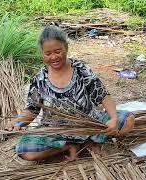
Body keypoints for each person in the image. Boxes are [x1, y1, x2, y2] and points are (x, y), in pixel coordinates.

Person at [9, 26, 135, 161]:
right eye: (48, 53)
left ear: (66, 48)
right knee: (24, 151)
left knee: (128, 120)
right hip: (57, 131)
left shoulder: (81, 70)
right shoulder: (39, 79)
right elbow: (32, 110)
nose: (54, 57)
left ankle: (91, 142)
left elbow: (102, 95)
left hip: (90, 125)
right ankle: (68, 146)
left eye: (58, 51)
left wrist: (114, 118)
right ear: (42, 54)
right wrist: (18, 122)